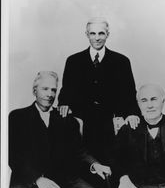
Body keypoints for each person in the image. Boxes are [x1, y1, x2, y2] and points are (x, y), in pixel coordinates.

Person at [9, 71, 110, 188]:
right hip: (32, 183)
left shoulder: (65, 119)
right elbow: (13, 156)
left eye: (53, 90)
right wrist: (37, 179)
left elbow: (78, 150)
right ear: (34, 91)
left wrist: (95, 165)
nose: (49, 94)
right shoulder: (17, 117)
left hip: (64, 179)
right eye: (45, 89)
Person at [58, 17, 141, 165]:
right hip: (83, 122)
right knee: (83, 162)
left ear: (108, 34)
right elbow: (66, 90)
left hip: (111, 122)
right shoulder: (73, 61)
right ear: (86, 34)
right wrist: (64, 103)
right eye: (93, 33)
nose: (97, 38)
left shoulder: (121, 61)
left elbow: (129, 93)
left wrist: (132, 113)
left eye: (101, 33)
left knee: (112, 165)